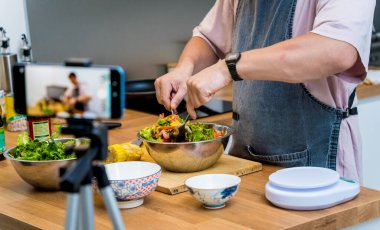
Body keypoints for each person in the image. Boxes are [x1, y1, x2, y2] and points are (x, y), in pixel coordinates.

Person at [154, 0, 376, 182]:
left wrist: (227, 68)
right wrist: (185, 69)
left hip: (314, 168)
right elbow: (208, 39)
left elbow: (337, 49)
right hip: (245, 164)